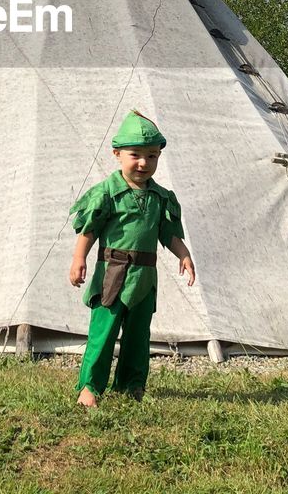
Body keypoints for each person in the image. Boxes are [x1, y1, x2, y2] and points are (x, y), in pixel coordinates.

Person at [68, 110, 195, 406]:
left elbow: (168, 233)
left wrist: (184, 254)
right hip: (112, 273)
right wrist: (79, 259)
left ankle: (131, 385)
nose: (143, 163)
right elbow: (89, 230)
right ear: (117, 154)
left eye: (151, 156)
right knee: (104, 333)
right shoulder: (107, 193)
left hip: (144, 278)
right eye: (135, 154)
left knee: (138, 337)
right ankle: (89, 388)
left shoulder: (161, 197)